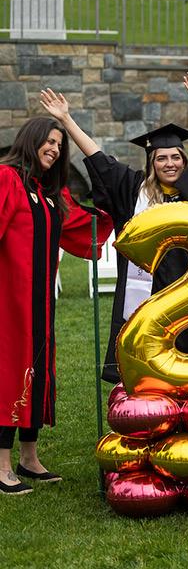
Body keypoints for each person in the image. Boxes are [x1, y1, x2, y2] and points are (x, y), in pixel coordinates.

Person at [40, 73, 188, 384]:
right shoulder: (132, 191)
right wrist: (67, 119)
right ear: (152, 163)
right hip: (145, 296)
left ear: (184, 160)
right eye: (161, 158)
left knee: (187, 372)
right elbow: (98, 158)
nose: (170, 163)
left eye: (176, 157)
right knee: (146, 373)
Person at [0, 117, 113, 494]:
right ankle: (1, 464)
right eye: (48, 141)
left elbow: (80, 226)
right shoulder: (7, 179)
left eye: (58, 145)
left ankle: (29, 458)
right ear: (30, 140)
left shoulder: (49, 193)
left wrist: (114, 215)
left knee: (39, 371)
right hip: (8, 302)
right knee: (10, 374)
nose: (53, 148)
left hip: (40, 301)